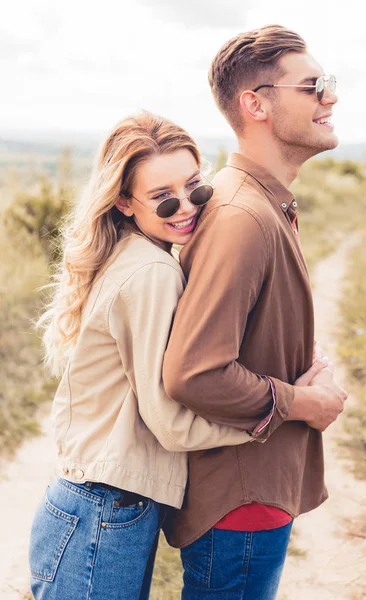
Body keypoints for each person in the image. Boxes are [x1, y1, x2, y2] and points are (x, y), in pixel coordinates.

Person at [28, 112, 255, 600]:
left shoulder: (137, 254)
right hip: (103, 511)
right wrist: (270, 417)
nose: (185, 206)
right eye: (162, 196)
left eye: (194, 185)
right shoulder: (152, 272)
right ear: (125, 203)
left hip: (97, 505)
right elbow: (170, 422)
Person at [162, 24, 348, 599]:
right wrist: (304, 402)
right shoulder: (244, 217)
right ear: (256, 103)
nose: (331, 97)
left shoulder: (263, 204)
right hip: (242, 502)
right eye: (315, 86)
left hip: (254, 493)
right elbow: (194, 371)